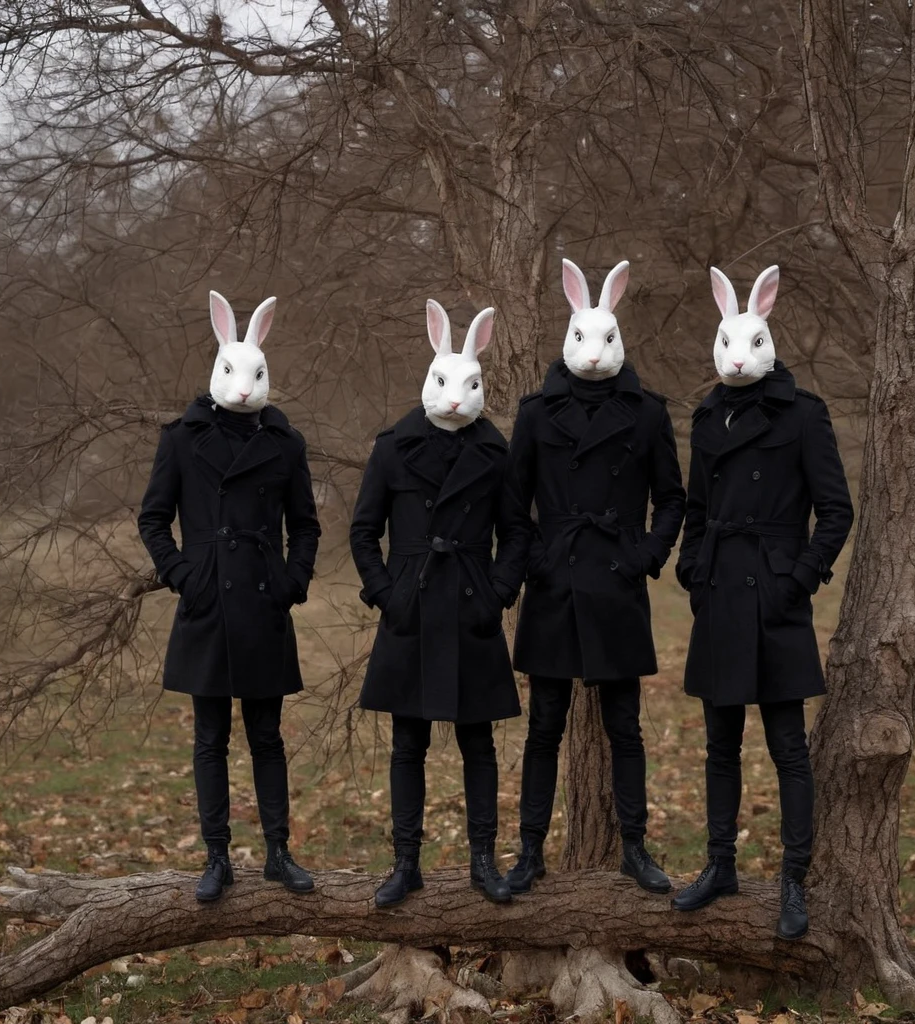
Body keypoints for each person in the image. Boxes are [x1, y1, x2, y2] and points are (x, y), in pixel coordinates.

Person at [671, 265, 853, 940]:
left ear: (767, 334)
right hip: (720, 590)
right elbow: (695, 507)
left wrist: (797, 580)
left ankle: (793, 885)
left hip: (774, 597)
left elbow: (836, 511)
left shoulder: (804, 415)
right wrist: (693, 569)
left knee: (787, 748)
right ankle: (720, 866)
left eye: (750, 341)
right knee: (720, 743)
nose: (739, 356)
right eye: (729, 342)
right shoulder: (707, 414)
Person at [504, 258, 686, 896]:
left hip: (615, 581)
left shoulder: (646, 413)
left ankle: (634, 848)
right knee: (544, 724)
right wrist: (536, 559)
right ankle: (529, 853)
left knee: (624, 725)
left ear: (618, 336)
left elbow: (672, 500)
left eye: (604, 337)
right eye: (583, 335)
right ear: (569, 332)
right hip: (555, 583)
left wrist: (643, 557)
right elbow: (511, 502)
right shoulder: (533, 415)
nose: (592, 351)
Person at [138, 291, 320, 903]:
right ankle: (216, 857)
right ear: (216, 366)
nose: (243, 389)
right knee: (209, 736)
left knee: (267, 736)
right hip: (207, 603)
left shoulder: (286, 444)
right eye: (232, 374)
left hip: (264, 604)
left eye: (254, 376)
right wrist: (184, 576)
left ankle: (278, 852)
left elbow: (307, 525)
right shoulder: (183, 439)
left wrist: (293, 583)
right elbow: (153, 520)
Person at [350, 300, 530, 907]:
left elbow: (518, 534)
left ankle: (484, 860)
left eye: (468, 386)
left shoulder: (496, 453)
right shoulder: (393, 448)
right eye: (445, 384)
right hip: (412, 607)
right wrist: (385, 594)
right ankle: (407, 863)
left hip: (472, 604)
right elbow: (362, 531)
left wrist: (498, 595)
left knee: (478, 741)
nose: (455, 398)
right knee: (409, 742)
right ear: (430, 376)